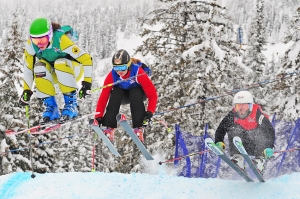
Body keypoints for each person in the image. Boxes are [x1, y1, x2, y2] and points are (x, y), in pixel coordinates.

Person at [18, 18, 93, 124]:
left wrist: (87, 83)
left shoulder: (60, 39)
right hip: (54, 73)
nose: (39, 44)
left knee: (59, 62)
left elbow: (86, 58)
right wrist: (26, 90)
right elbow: (28, 69)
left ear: (50, 35)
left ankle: (72, 105)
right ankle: (52, 108)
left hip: (72, 70)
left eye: (42, 40)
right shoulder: (31, 45)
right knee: (39, 67)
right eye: (35, 40)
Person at [94, 49, 158, 142]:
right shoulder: (112, 75)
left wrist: (149, 112)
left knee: (135, 91)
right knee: (116, 91)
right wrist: (99, 116)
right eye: (116, 68)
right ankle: (109, 127)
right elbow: (104, 97)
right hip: (123, 96)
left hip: (139, 95)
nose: (119, 71)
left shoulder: (138, 72)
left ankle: (138, 128)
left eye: (122, 67)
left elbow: (153, 95)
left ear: (128, 65)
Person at [214, 91, 275, 172]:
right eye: (238, 106)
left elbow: (269, 130)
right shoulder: (233, 114)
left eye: (244, 106)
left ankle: (259, 160)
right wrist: (219, 141)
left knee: (260, 132)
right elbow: (221, 128)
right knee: (233, 129)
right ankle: (238, 158)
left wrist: (269, 147)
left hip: (259, 147)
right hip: (242, 146)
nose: (241, 109)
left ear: (250, 106)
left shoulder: (257, 114)